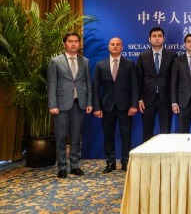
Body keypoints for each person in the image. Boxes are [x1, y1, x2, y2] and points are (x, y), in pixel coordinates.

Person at [47, 32, 93, 178]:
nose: (73, 44)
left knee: (76, 137)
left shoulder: (85, 61)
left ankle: (75, 166)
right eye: (70, 41)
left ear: (79, 44)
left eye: (76, 41)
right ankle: (62, 167)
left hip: (79, 104)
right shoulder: (55, 61)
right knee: (61, 137)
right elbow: (52, 84)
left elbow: (88, 83)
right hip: (60, 106)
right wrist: (52, 105)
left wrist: (89, 102)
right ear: (64, 43)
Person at [92, 37, 138, 173]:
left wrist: (133, 105)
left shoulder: (129, 64)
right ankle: (110, 162)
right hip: (107, 106)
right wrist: (97, 107)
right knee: (108, 135)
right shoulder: (100, 65)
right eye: (112, 44)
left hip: (125, 106)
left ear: (122, 47)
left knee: (126, 135)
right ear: (109, 47)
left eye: (118, 44)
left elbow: (134, 86)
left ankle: (125, 161)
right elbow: (96, 88)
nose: (115, 46)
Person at [137, 27, 176, 142]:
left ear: (164, 38)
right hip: (147, 99)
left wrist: (174, 100)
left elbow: (174, 79)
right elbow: (139, 79)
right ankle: (147, 153)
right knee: (147, 131)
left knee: (166, 132)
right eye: (154, 36)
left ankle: (166, 153)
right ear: (149, 39)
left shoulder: (172, 55)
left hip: (166, 98)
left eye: (160, 36)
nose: (157, 38)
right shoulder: (142, 56)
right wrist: (139, 99)